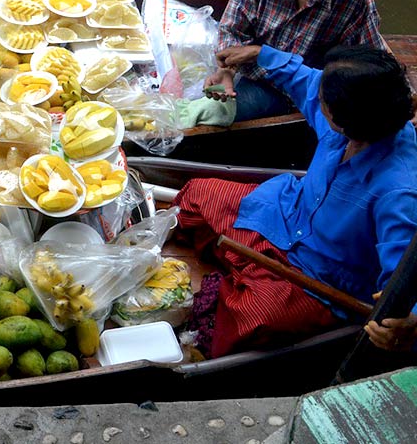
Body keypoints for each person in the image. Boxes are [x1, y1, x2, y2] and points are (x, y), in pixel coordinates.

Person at [178, 43, 417, 358]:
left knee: (252, 315)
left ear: (342, 120)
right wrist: (260, 54)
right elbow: (304, 78)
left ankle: (246, 277)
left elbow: (405, 275)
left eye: (322, 101)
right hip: (284, 214)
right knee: (197, 195)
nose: (315, 98)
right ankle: (245, 272)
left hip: (317, 278)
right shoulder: (355, 114)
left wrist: (408, 322)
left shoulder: (398, 192)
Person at [208, 0, 387, 121]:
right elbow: (232, 29)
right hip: (250, 72)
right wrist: (227, 70)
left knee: (220, 112)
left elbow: (372, 67)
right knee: (207, 103)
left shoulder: (355, 1)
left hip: (298, 92)